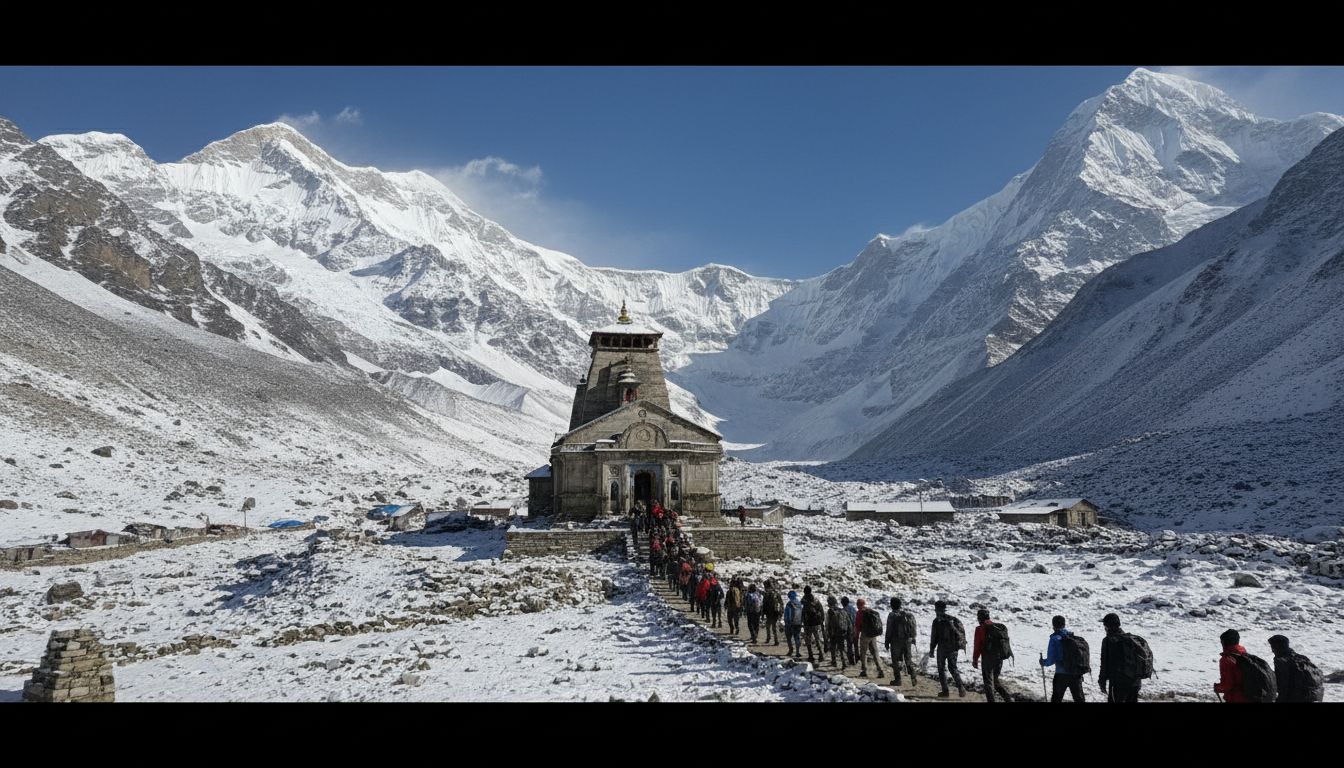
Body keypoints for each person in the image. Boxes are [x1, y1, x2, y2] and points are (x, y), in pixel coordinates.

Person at [1040, 615, 1085, 703]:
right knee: (1079, 699)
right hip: (1076, 674)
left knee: (1056, 699)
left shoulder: (1054, 638)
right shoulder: (1072, 637)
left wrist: (1043, 662)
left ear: (1053, 626)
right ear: (1064, 624)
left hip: (1061, 674)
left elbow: (1051, 659)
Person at [1097, 613, 1142, 703]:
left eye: (1104, 625)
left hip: (1118, 682)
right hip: (1135, 681)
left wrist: (1102, 681)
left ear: (1107, 626)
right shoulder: (1131, 639)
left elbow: (1104, 663)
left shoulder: (1108, 640)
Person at [928, 600, 967, 698]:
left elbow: (934, 637)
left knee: (942, 669)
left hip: (942, 648)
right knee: (953, 668)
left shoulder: (936, 621)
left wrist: (932, 649)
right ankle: (960, 688)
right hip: (953, 648)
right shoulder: (953, 619)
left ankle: (946, 691)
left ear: (937, 609)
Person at [1268, 635, 1324, 703]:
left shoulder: (1282, 661)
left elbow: (1284, 687)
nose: (1272, 651)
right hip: (1314, 697)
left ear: (1278, 647)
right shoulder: (1302, 658)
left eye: (1273, 647)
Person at [972, 608, 1012, 702]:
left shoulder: (980, 629)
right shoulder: (997, 627)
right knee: (995, 679)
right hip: (999, 658)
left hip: (987, 658)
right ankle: (1007, 698)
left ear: (979, 618)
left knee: (988, 683)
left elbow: (977, 646)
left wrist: (975, 660)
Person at [885, 597, 916, 686]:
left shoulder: (892, 615)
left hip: (896, 641)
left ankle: (898, 680)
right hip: (908, 640)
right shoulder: (908, 615)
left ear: (892, 605)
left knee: (896, 660)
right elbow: (913, 628)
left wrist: (887, 641)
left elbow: (889, 629)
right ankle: (913, 674)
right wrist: (913, 638)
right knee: (908, 659)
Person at [1214, 629, 1250, 703]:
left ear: (1224, 643)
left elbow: (1227, 686)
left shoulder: (1226, 660)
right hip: (1249, 697)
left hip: (1235, 698)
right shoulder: (1245, 655)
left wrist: (1217, 688)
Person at [855, 599, 885, 679]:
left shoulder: (860, 613)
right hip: (873, 635)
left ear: (858, 605)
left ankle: (864, 670)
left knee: (863, 653)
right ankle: (881, 670)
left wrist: (856, 636)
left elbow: (858, 626)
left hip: (865, 634)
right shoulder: (870, 611)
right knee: (875, 652)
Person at [801, 585, 825, 664]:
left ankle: (811, 655)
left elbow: (802, 610)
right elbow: (821, 610)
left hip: (807, 623)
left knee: (808, 640)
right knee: (817, 639)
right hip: (815, 623)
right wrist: (821, 620)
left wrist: (801, 622)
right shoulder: (816, 600)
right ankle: (821, 654)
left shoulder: (804, 600)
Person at [825, 595, 850, 669]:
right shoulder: (842, 610)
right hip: (842, 633)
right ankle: (844, 663)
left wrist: (827, 634)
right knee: (841, 648)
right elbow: (848, 622)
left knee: (833, 647)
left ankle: (834, 662)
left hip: (833, 633)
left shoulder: (830, 612)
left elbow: (827, 623)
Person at [784, 590, 804, 659]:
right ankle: (797, 652)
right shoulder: (799, 604)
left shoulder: (789, 604)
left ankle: (791, 650)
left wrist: (787, 622)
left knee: (789, 637)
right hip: (798, 623)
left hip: (790, 624)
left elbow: (787, 614)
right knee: (797, 638)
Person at [762, 580, 783, 646]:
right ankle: (774, 640)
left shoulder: (767, 594)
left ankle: (770, 639)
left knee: (769, 626)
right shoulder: (776, 593)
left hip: (771, 613)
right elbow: (781, 603)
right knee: (772, 627)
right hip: (774, 613)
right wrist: (781, 612)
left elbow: (764, 604)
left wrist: (763, 614)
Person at [841, 596, 858, 665]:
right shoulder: (852, 608)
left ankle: (851, 660)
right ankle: (857, 658)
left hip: (848, 630)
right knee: (855, 645)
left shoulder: (843, 611)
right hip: (855, 628)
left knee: (849, 645)